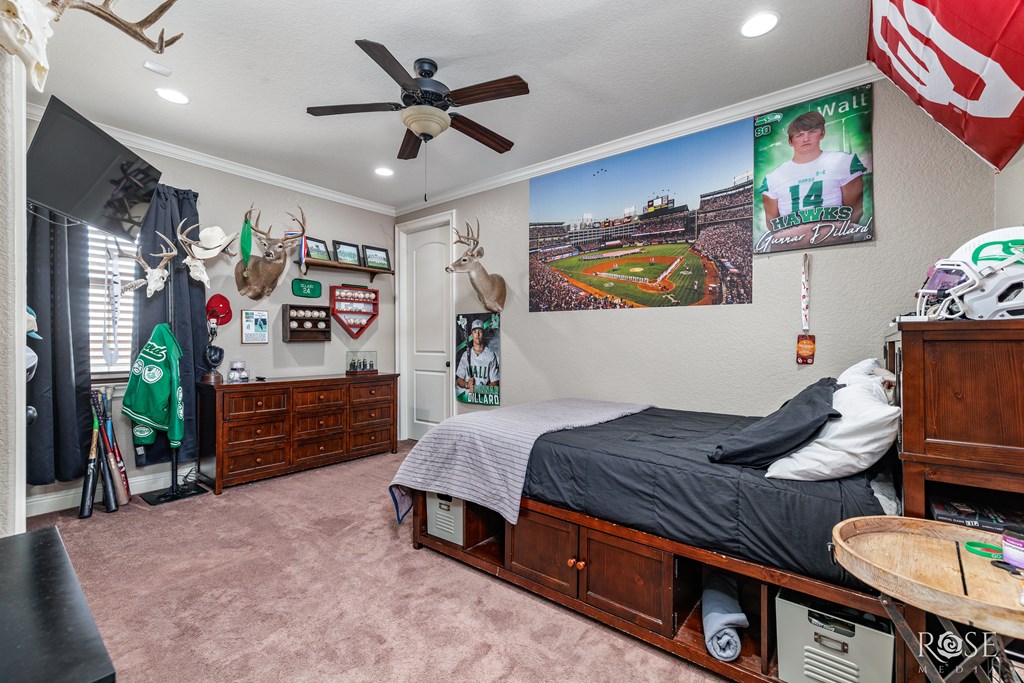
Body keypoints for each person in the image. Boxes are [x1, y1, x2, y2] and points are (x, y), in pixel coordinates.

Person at [760, 111, 865, 227]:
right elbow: (772, 224)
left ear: (822, 133)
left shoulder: (844, 162)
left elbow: (854, 212)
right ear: (790, 141)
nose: (806, 139)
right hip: (793, 237)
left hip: (835, 233)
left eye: (812, 132)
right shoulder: (773, 178)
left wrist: (830, 233)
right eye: (799, 135)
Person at [455, 319, 499, 399]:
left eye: (480, 331)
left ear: (484, 334)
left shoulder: (490, 355)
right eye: (475, 332)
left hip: (483, 398)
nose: (477, 334)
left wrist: (478, 390)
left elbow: (495, 382)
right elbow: (459, 380)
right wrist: (467, 384)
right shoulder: (466, 354)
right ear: (471, 335)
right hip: (467, 398)